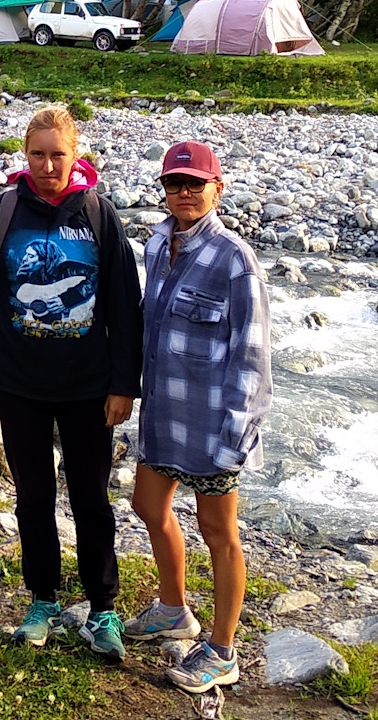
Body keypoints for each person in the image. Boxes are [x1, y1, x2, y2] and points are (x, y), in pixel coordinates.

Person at [0, 106, 143, 663]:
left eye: (58, 154)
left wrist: (124, 384)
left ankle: (102, 606)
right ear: (25, 155)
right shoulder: (2, 213)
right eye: (38, 154)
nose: (48, 166)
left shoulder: (99, 214)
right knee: (33, 497)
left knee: (91, 497)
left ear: (76, 155)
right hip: (19, 384)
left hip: (89, 385)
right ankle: (42, 599)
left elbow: (125, 305)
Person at [125, 140, 272, 694]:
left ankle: (223, 649)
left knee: (218, 531)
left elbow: (253, 350)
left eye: (195, 183)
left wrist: (240, 427)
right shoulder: (158, 243)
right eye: (174, 184)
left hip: (214, 421)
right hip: (164, 410)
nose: (184, 193)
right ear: (163, 190)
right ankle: (173, 608)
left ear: (217, 188)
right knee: (146, 504)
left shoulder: (235, 258)